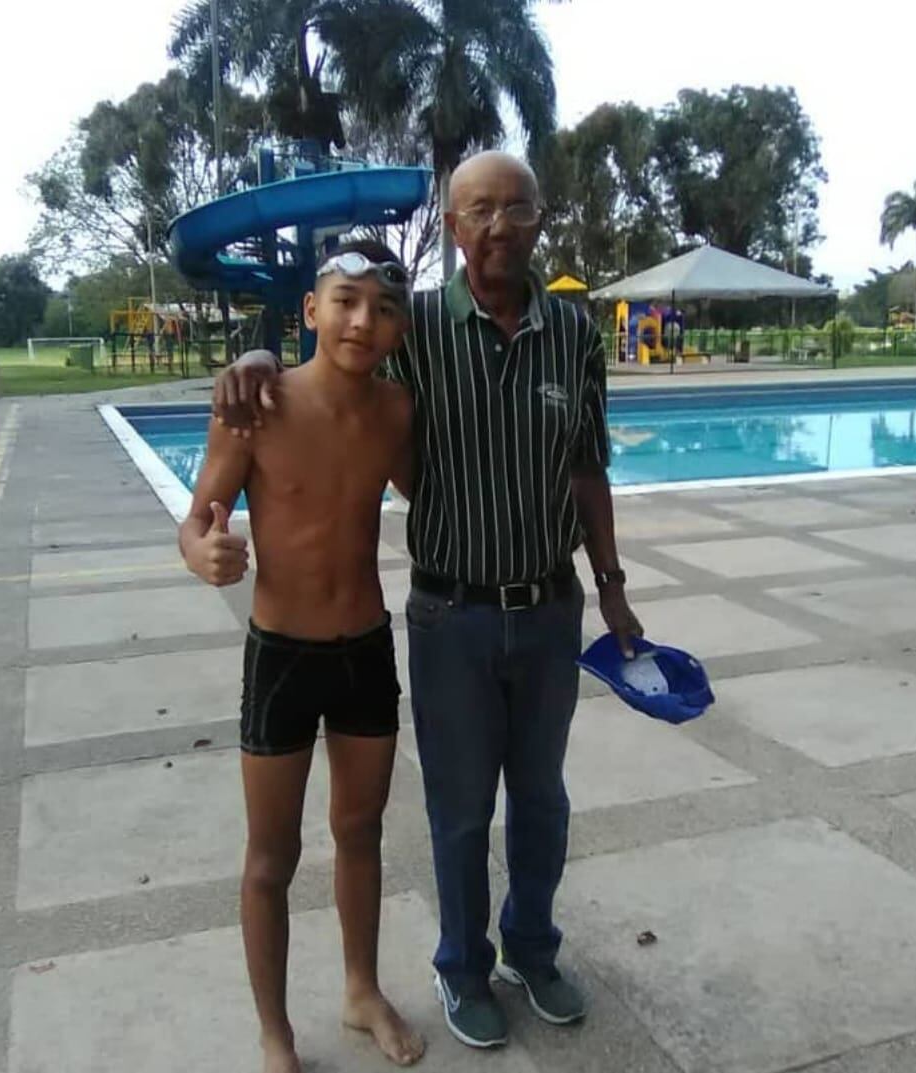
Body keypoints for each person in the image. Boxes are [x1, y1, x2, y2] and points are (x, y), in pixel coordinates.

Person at [214, 151, 643, 1050]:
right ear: (453, 227)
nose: (497, 225)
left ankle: (530, 947)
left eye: (514, 208)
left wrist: (611, 585)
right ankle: (461, 968)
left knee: (541, 798)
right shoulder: (418, 331)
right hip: (449, 613)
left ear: (538, 219)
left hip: (550, 604)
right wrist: (258, 354)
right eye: (477, 210)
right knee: (455, 805)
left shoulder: (576, 334)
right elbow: (338, 352)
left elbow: (587, 465)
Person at [180, 240, 425, 1073]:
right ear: (311, 310)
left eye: (384, 308)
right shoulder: (258, 403)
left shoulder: (398, 413)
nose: (363, 319)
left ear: (399, 327)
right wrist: (202, 552)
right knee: (269, 856)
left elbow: (437, 488)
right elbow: (199, 513)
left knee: (359, 830)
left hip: (364, 648)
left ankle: (361, 990)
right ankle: (275, 1034)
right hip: (280, 656)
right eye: (346, 300)